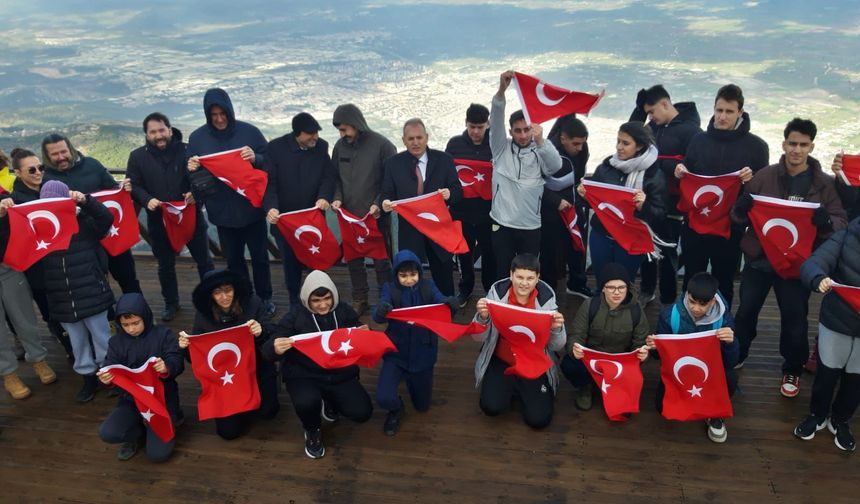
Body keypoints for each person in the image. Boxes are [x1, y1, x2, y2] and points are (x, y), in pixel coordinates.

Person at [731, 118, 847, 397]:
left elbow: (840, 223)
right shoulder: (764, 176)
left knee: (795, 319)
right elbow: (738, 216)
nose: (797, 149)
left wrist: (824, 222)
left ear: (811, 147)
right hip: (759, 260)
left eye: (803, 145)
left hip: (797, 265)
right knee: (746, 311)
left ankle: (792, 367)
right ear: (783, 144)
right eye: (792, 143)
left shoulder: (824, 184)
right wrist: (742, 207)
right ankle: (739, 351)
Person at [675, 84, 769, 308]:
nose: (722, 116)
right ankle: (686, 327)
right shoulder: (699, 140)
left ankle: (721, 328)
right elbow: (688, 173)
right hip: (696, 224)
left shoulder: (757, 147)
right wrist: (680, 171)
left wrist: (751, 179)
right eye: (719, 110)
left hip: (730, 228)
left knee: (724, 281)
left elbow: (762, 191)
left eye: (729, 111)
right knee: (691, 278)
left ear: (740, 112)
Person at [263, 270, 373, 459]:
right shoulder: (295, 315)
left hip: (339, 374)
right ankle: (312, 430)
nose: (323, 305)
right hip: (305, 376)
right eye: (316, 301)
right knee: (307, 403)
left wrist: (366, 331)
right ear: (307, 299)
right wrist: (274, 348)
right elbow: (268, 347)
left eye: (327, 299)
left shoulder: (344, 310)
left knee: (362, 412)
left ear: (333, 295)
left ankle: (330, 401)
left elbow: (358, 331)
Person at [186, 88, 275, 317]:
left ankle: (265, 298)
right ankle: (244, 299)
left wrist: (256, 158)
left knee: (260, 259)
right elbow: (193, 180)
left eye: (222, 113)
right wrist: (192, 168)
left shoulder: (250, 133)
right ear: (207, 115)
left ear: (230, 111)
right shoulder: (197, 139)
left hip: (252, 209)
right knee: (234, 262)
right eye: (213, 114)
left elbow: (270, 164)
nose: (219, 118)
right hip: (222, 213)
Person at [127, 112, 214, 321]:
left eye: (161, 130)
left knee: (204, 261)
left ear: (169, 129)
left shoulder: (186, 151)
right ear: (146, 135)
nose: (158, 135)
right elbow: (134, 185)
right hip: (158, 220)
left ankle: (212, 299)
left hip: (190, 217)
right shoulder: (137, 156)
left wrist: (195, 194)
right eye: (153, 132)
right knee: (165, 265)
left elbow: (202, 178)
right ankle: (171, 303)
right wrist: (146, 199)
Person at [180, 269, 279, 440]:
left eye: (228, 290)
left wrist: (261, 331)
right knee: (228, 432)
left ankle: (267, 390)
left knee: (268, 413)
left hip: (256, 369)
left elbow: (273, 337)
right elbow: (196, 357)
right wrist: (185, 347)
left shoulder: (253, 303)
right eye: (217, 292)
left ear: (236, 289)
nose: (224, 297)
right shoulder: (203, 316)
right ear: (210, 295)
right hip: (226, 378)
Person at [38, 180, 115, 402]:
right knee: (77, 340)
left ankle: (108, 373)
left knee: (102, 337)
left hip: (91, 292)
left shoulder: (85, 222)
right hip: (60, 296)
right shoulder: (38, 227)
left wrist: (86, 201)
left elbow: (106, 219)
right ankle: (87, 376)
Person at [41, 133, 142, 297]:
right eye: (54, 154)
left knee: (128, 279)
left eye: (64, 152)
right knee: (96, 287)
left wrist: (122, 188)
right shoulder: (46, 178)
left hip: (111, 234)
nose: (61, 157)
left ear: (71, 149)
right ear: (47, 156)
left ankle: (142, 316)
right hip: (81, 247)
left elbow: (113, 188)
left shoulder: (92, 165)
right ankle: (109, 322)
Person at [473, 253, 566, 429]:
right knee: (491, 407)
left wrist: (557, 328)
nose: (524, 283)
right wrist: (482, 318)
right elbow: (477, 338)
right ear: (511, 275)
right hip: (502, 360)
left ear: (538, 278)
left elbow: (557, 346)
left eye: (530, 278)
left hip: (533, 363)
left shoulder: (547, 302)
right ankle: (508, 386)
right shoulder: (496, 296)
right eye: (520, 277)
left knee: (538, 420)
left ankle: (523, 389)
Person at [631, 85, 702, 305]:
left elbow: (692, 167)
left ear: (665, 104)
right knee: (646, 246)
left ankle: (669, 298)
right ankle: (647, 289)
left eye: (651, 111)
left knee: (668, 250)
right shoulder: (653, 126)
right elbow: (632, 133)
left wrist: (663, 163)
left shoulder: (691, 131)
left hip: (673, 203)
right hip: (649, 198)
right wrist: (639, 110)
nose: (650, 117)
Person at [373, 250, 457, 435]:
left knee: (422, 406)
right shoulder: (390, 289)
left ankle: (413, 382)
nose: (409, 279)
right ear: (396, 274)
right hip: (396, 353)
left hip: (423, 355)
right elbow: (377, 317)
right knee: (384, 397)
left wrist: (450, 304)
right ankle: (397, 409)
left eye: (413, 274)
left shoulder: (428, 286)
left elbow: (441, 302)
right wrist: (382, 310)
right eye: (403, 276)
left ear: (419, 272)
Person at [488, 71, 562, 279]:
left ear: (533, 129)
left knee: (528, 274)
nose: (522, 135)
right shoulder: (501, 148)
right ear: (510, 132)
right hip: (501, 223)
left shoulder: (541, 150)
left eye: (526, 130)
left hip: (530, 225)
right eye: (517, 130)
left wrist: (540, 142)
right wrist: (502, 90)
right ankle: (501, 309)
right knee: (503, 271)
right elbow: (495, 118)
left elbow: (555, 166)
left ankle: (525, 310)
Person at [650, 272, 739, 443]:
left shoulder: (724, 319)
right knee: (660, 406)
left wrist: (731, 343)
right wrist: (655, 347)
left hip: (712, 371)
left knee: (730, 378)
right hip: (680, 371)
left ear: (713, 301)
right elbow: (659, 357)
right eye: (692, 301)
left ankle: (715, 416)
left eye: (703, 304)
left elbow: (731, 362)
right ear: (686, 295)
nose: (696, 308)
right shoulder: (669, 315)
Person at [796, 216, 860, 452]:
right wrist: (818, 278)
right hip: (837, 321)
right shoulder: (845, 237)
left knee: (855, 381)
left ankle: (841, 420)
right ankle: (818, 415)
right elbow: (813, 263)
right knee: (826, 375)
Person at [577, 121, 667, 285]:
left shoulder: (653, 174)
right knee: (601, 284)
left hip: (630, 238)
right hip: (601, 235)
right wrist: (584, 196)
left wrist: (643, 205)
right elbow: (596, 203)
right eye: (618, 141)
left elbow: (660, 214)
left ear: (639, 146)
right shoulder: (606, 167)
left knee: (625, 284)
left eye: (625, 143)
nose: (619, 147)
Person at [97, 293, 184, 462]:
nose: (131, 329)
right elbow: (110, 367)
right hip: (131, 400)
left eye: (135, 323)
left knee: (158, 455)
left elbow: (177, 361)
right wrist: (107, 379)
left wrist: (166, 367)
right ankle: (136, 434)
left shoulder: (163, 334)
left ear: (145, 316)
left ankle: (173, 418)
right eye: (125, 325)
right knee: (107, 433)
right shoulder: (115, 343)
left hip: (162, 400)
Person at [381, 118, 463, 296]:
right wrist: (385, 204)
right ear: (403, 140)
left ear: (427, 137)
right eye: (411, 139)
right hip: (410, 230)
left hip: (438, 228)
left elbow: (458, 191)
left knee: (443, 272)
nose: (416, 142)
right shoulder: (392, 164)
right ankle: (411, 310)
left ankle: (447, 308)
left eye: (419, 137)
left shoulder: (444, 160)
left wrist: (449, 194)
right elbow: (386, 193)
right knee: (408, 274)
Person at [264, 112, 336, 312]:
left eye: (316, 133)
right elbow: (269, 182)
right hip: (286, 221)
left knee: (317, 258)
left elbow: (328, 177)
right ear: (297, 134)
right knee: (290, 262)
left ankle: (321, 297)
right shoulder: (275, 148)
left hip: (312, 218)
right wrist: (271, 208)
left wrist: (324, 196)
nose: (314, 137)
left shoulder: (321, 147)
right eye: (309, 134)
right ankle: (294, 300)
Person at [331, 104, 397, 315]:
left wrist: (378, 203)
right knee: (353, 261)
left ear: (356, 124)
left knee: (381, 262)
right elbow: (335, 179)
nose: (342, 134)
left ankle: (387, 299)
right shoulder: (340, 147)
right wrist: (337, 199)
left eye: (344, 129)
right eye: (340, 130)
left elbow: (390, 181)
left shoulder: (383, 145)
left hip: (375, 216)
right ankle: (360, 299)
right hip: (349, 216)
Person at [8, 148, 72, 359]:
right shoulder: (14, 201)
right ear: (17, 172)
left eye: (41, 167)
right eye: (32, 169)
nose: (38, 172)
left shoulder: (52, 188)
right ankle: (70, 350)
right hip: (38, 270)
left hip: (63, 264)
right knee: (51, 313)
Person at [561, 263, 649, 412]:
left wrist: (642, 354)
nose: (617, 292)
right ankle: (585, 387)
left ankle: (617, 386)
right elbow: (576, 334)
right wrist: (574, 348)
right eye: (611, 287)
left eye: (621, 287)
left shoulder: (636, 311)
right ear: (603, 288)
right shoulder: (590, 305)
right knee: (569, 364)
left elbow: (640, 342)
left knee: (625, 412)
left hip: (619, 363)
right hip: (592, 360)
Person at [0, 196, 57, 399]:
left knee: (25, 319)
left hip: (9, 267)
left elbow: (17, 230)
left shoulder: (2, 195)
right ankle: (9, 374)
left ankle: (38, 359)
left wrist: (6, 214)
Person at [445, 103, 497, 305]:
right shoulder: (454, 145)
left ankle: (490, 290)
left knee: (490, 254)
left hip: (489, 212)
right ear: (466, 124)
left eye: (480, 127)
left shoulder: (496, 145)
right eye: (472, 126)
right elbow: (447, 175)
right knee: (463, 254)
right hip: (461, 210)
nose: (476, 131)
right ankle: (465, 289)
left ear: (488, 124)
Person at [542, 115, 591, 298]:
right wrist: (556, 201)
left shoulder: (582, 149)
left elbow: (579, 174)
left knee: (578, 247)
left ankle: (577, 284)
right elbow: (535, 183)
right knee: (549, 251)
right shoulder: (546, 151)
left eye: (582, 143)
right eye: (576, 144)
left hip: (574, 206)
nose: (580, 148)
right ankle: (548, 288)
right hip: (550, 211)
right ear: (563, 139)